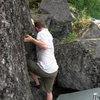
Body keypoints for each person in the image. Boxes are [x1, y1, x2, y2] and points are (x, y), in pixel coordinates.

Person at [24, 19, 58, 100]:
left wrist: (32, 40)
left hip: (45, 69)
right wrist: (32, 22)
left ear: (36, 28)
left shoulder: (40, 34)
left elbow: (45, 46)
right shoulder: (48, 33)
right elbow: (39, 25)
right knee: (49, 92)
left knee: (27, 63)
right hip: (54, 70)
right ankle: (38, 83)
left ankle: (37, 83)